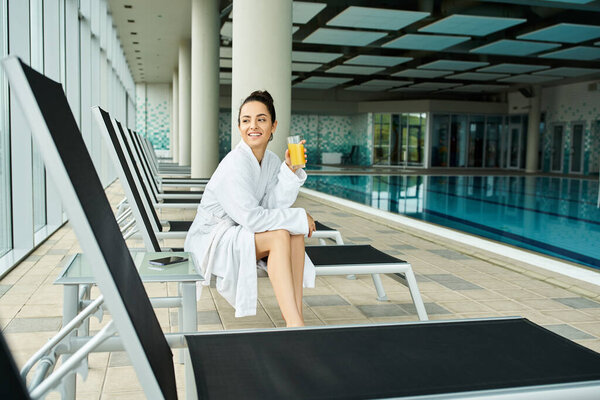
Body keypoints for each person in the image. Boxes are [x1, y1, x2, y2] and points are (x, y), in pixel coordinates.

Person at [184, 90, 316, 327]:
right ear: (239, 126)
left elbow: (273, 206)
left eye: (261, 119)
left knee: (294, 236)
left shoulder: (272, 160)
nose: (253, 126)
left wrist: (290, 169)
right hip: (213, 240)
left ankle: (296, 319)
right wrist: (299, 216)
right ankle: (296, 326)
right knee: (279, 236)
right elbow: (254, 219)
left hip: (241, 232)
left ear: (273, 126)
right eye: (246, 120)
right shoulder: (235, 163)